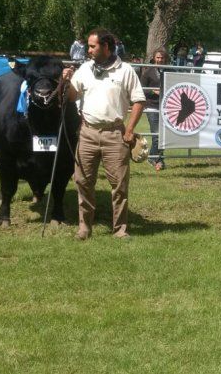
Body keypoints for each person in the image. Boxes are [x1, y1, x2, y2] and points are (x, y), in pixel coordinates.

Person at [62, 28, 147, 239]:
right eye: (88, 46)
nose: (88, 50)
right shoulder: (84, 69)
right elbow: (71, 97)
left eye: (92, 46)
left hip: (115, 135)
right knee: (83, 181)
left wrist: (129, 130)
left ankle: (120, 229)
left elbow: (139, 100)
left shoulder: (125, 70)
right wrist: (65, 81)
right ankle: (84, 227)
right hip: (87, 133)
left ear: (106, 47)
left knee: (119, 184)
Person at [139, 48, 168, 171]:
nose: (160, 60)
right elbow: (140, 89)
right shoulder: (148, 72)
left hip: (167, 107)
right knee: (157, 135)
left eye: (162, 58)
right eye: (158, 57)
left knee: (164, 136)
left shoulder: (169, 71)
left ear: (165, 59)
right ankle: (154, 157)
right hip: (152, 106)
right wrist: (152, 91)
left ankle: (157, 158)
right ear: (154, 58)